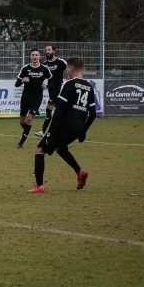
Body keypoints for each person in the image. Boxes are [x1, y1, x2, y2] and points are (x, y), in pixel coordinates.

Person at [29, 57, 96, 194]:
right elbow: (93, 113)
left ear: (71, 69)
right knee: (60, 148)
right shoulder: (89, 87)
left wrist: (51, 130)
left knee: (40, 150)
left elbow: (59, 108)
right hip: (78, 128)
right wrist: (83, 131)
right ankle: (79, 172)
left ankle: (39, 186)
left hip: (64, 125)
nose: (66, 72)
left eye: (67, 69)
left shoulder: (69, 84)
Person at [15, 48, 52, 149]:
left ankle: (21, 143)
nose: (34, 57)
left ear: (39, 57)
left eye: (36, 55)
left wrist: (46, 85)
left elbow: (52, 81)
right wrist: (23, 80)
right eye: (33, 55)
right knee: (22, 121)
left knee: (29, 119)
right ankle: (27, 131)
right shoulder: (25, 68)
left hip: (37, 98)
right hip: (25, 97)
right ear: (30, 57)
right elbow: (16, 84)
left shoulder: (44, 69)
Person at [35, 45, 67, 137]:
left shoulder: (60, 62)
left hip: (59, 91)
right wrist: (42, 84)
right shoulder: (45, 64)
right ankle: (48, 132)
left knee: (50, 110)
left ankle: (44, 131)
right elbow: (41, 76)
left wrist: (68, 83)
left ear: (54, 51)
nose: (47, 51)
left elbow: (69, 71)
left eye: (49, 50)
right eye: (46, 50)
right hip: (51, 91)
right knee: (60, 112)